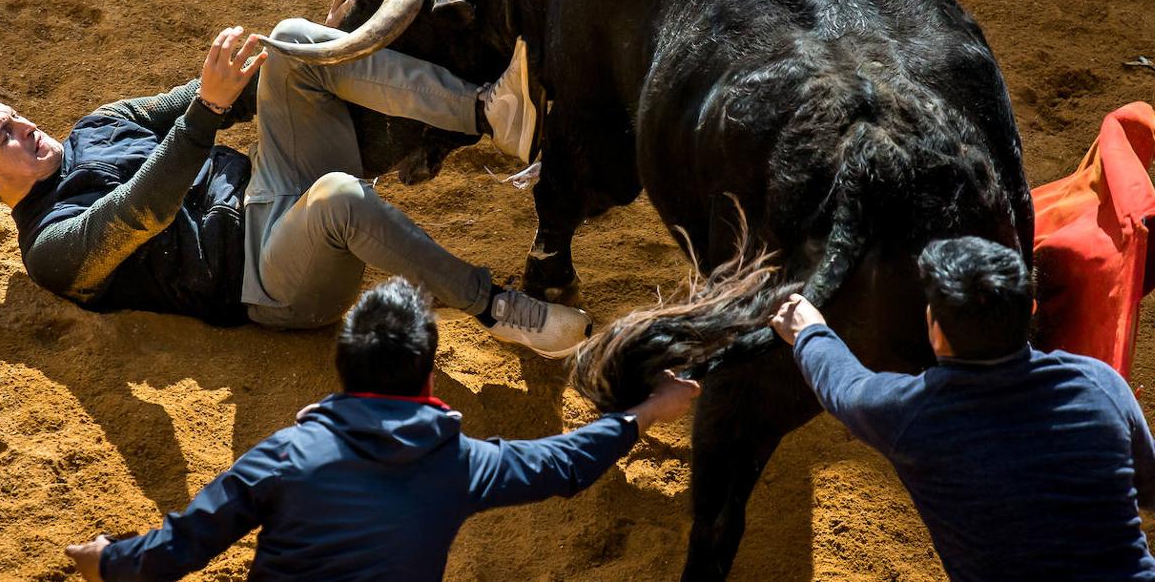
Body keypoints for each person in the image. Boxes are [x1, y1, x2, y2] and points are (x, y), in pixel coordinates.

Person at [0, 0, 589, 357]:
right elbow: (142, 210)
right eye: (6, 137)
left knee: (293, 36)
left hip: (272, 183)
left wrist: (326, 51)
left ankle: (488, 112)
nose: (28, 129)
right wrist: (209, 106)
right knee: (339, 199)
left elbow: (231, 89)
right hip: (266, 280)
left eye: (14, 116)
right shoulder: (50, 247)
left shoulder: (98, 125)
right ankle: (499, 309)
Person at [64, 277, 700, 581]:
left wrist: (106, 560)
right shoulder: (460, 465)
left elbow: (182, 546)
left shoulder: (286, 456)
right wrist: (644, 411)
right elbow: (562, 464)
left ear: (342, 370)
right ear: (429, 379)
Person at [770, 235, 1155, 581]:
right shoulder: (1101, 386)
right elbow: (1150, 490)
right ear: (1032, 308)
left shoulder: (914, 416)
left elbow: (844, 387)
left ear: (934, 329)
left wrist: (809, 332)